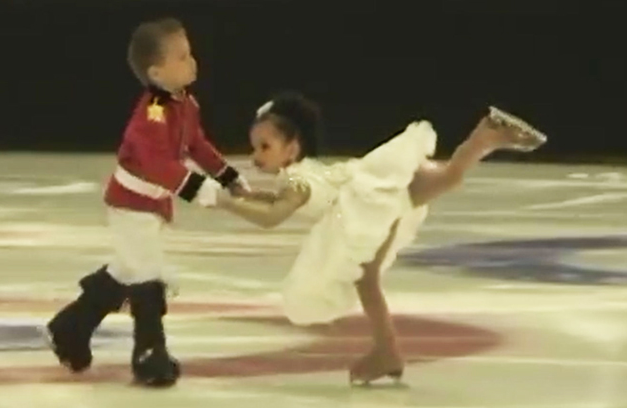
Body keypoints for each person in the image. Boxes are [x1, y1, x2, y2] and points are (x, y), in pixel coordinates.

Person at [214, 92, 546, 385]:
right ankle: (489, 136)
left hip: (367, 202)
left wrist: (225, 202)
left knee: (443, 184)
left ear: (292, 148)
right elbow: (275, 201)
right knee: (371, 273)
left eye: (265, 147)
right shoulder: (297, 175)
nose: (256, 155)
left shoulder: (297, 184)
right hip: (370, 193)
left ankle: (488, 133)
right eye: (255, 146)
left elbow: (274, 216)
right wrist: (247, 194)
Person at [45, 17, 248, 388]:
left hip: (150, 205)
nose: (193, 62)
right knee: (147, 279)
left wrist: (227, 176)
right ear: (157, 72)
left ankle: (69, 328)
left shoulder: (185, 104)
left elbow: (196, 145)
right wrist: (198, 188)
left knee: (126, 271)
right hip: (131, 204)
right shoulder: (152, 112)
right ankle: (148, 354)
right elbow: (157, 163)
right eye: (183, 56)